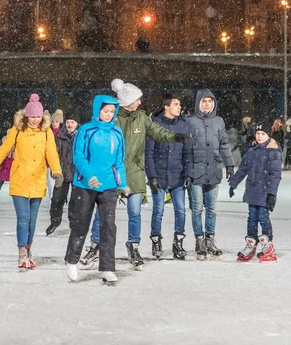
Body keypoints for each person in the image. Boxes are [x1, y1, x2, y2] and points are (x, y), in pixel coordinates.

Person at [81, 79, 187, 269]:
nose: (140, 102)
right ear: (127, 101)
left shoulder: (142, 117)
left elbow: (157, 131)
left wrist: (174, 137)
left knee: (135, 213)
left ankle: (134, 245)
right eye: (137, 99)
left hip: (136, 172)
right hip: (113, 173)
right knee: (103, 214)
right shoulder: (114, 118)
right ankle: (95, 245)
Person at [0, 94, 63, 271]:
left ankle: (28, 249)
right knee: (23, 218)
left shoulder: (47, 132)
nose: (35, 120)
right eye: (32, 116)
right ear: (26, 116)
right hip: (20, 180)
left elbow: (51, 153)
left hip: (37, 181)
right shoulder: (17, 130)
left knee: (32, 220)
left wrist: (56, 171)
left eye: (38, 117)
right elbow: (3, 151)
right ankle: (21, 251)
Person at [64, 95, 127, 284]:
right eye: (105, 111)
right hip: (85, 185)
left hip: (108, 187)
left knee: (108, 226)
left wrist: (122, 183)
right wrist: (89, 175)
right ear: (98, 111)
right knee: (81, 224)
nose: (109, 115)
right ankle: (72, 260)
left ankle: (107, 267)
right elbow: (79, 157)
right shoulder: (86, 129)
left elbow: (118, 161)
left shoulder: (116, 132)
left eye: (111, 112)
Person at [185, 89, 235, 260]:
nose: (207, 104)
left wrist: (229, 164)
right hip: (196, 172)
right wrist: (187, 171)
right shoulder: (190, 121)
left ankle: (210, 240)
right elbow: (186, 148)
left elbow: (224, 144)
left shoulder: (218, 121)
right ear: (199, 103)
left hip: (213, 170)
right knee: (197, 208)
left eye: (210, 101)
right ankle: (199, 241)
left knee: (211, 209)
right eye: (204, 101)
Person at [145, 94, 192, 260]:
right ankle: (156, 241)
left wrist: (188, 174)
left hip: (177, 176)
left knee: (181, 210)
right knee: (158, 210)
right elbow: (149, 152)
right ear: (166, 106)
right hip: (160, 175)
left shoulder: (183, 125)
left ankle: (178, 242)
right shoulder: (154, 124)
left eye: (179, 105)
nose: (179, 107)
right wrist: (152, 176)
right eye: (176, 104)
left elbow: (187, 152)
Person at [229, 122, 282, 262]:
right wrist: (233, 183)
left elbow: (275, 174)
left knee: (263, 218)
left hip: (264, 191)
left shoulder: (273, 151)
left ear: (268, 135)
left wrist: (272, 193)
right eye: (257, 134)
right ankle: (251, 244)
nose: (259, 136)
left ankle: (267, 245)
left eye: (262, 134)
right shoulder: (251, 150)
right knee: (251, 218)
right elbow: (243, 169)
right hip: (252, 190)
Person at [46, 110, 80, 235]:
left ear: (77, 123)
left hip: (77, 173)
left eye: (72, 122)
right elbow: (54, 153)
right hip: (63, 171)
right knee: (56, 199)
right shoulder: (59, 136)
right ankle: (54, 221)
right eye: (68, 122)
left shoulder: (82, 136)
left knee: (76, 201)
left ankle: (74, 223)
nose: (70, 125)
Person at [0, 130, 14, 204]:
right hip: (6, 164)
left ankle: (18, 197)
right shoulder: (5, 143)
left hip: (13, 164)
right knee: (1, 181)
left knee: (16, 182)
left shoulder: (18, 143)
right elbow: (1, 154)